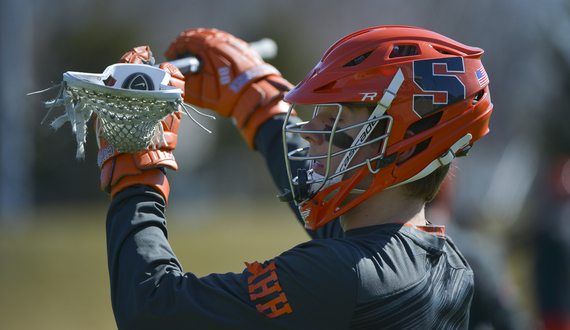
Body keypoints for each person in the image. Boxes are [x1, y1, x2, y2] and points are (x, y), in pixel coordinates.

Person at [97, 26, 493, 329]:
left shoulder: (339, 276)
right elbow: (316, 175)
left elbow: (151, 308)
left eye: (332, 118)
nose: (309, 131)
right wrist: (257, 100)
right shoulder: (451, 267)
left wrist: (136, 169)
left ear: (400, 147)